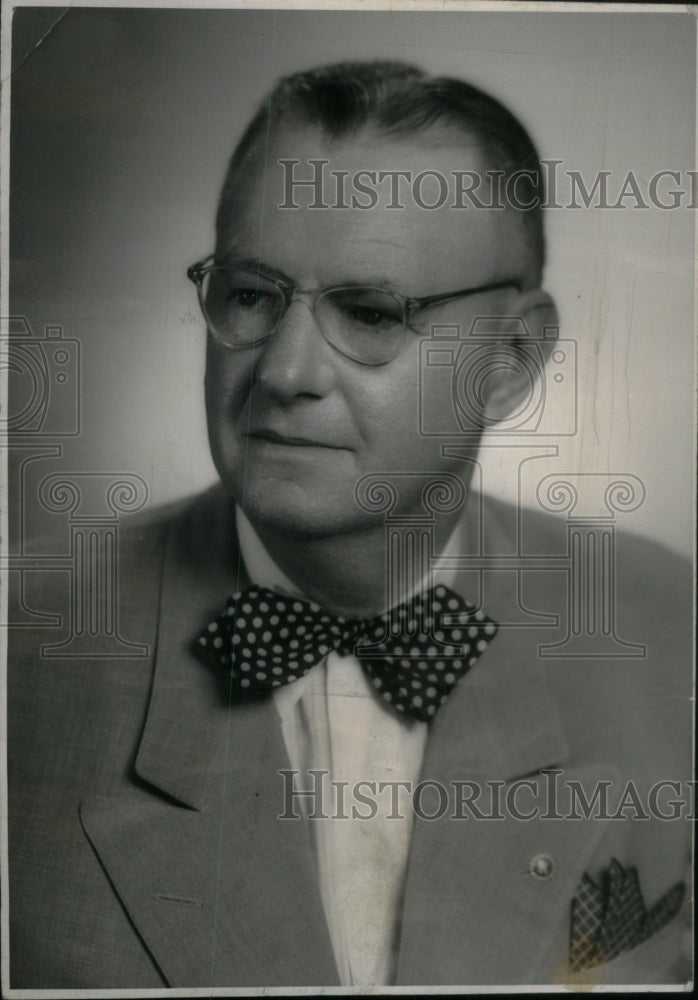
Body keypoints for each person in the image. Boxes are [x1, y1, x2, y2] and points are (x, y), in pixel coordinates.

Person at [7, 61, 692, 989]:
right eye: (250, 294)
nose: (286, 372)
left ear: (512, 357)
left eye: (371, 312)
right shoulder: (24, 650)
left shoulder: (669, 633)